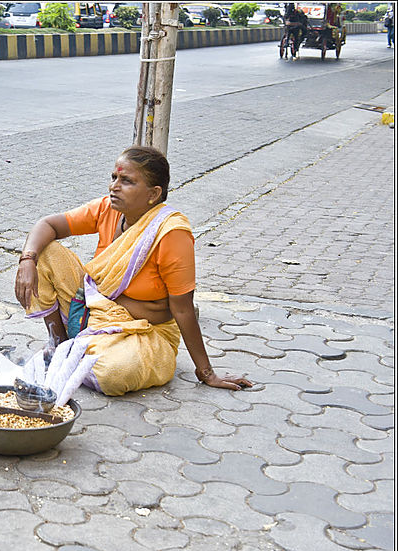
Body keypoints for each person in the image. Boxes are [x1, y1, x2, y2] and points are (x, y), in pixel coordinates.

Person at [14, 145, 253, 396]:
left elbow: (181, 309)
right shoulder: (108, 209)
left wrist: (207, 373)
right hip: (92, 309)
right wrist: (27, 260)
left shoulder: (171, 233)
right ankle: (60, 345)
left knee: (112, 373)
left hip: (146, 332)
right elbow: (48, 224)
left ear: (153, 194)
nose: (113, 187)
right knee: (44, 252)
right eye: (114, 178)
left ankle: (80, 350)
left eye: (126, 181)